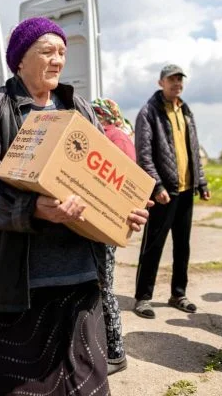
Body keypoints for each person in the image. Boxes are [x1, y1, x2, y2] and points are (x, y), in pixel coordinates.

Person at [0, 17, 150, 395]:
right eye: (47, 51)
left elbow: (104, 178)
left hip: (77, 279)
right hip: (13, 283)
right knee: (15, 382)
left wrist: (126, 210)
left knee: (83, 381)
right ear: (20, 59)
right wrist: (32, 209)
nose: (57, 60)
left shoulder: (78, 109)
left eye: (62, 52)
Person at [133, 63, 209, 318]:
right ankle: (143, 297)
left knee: (183, 246)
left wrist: (202, 183)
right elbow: (144, 155)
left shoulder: (186, 110)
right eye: (171, 79)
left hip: (186, 191)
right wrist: (156, 186)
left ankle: (179, 293)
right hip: (164, 192)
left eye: (179, 80)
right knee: (153, 246)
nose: (177, 84)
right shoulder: (148, 112)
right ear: (161, 83)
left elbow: (194, 149)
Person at [91, 97, 135, 376]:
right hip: (103, 220)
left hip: (106, 221)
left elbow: (120, 180)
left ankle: (116, 353)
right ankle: (104, 347)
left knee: (104, 286)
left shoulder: (114, 136)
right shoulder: (115, 134)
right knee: (100, 285)